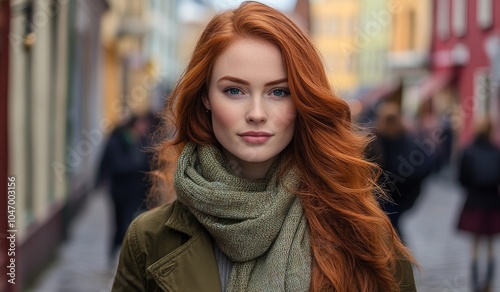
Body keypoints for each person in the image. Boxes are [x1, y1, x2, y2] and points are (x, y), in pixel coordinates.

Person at [112, 2, 417, 291]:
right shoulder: (149, 240)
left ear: (302, 100)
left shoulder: (364, 234)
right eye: (234, 90)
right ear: (205, 97)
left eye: (279, 92)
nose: (256, 113)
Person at [368, 102, 434, 241]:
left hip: (399, 196)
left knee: (391, 231)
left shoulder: (406, 140)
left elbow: (423, 166)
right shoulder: (375, 141)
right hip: (386, 197)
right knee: (391, 231)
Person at [96, 113, 152, 264]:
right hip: (120, 190)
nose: (144, 128)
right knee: (120, 221)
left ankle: (126, 255)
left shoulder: (142, 141)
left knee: (131, 221)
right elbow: (113, 163)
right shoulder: (117, 140)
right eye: (141, 125)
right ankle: (116, 252)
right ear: (133, 125)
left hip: (137, 191)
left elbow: (149, 164)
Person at [457, 118, 500, 292]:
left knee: (475, 243)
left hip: (474, 200)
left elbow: (461, 178)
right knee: (490, 242)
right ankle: (489, 279)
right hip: (493, 201)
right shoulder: (497, 152)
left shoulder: (468, 151)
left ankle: (475, 280)